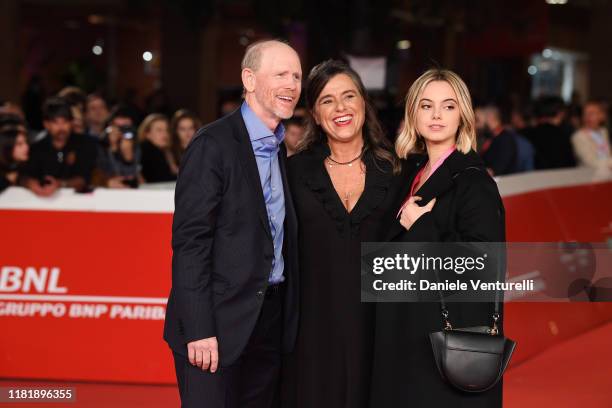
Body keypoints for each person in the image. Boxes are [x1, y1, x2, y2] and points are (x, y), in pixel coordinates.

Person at [163, 39, 302, 408]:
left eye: (297, 76)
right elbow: (191, 242)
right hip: (215, 327)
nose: (292, 84)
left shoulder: (280, 148)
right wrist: (199, 329)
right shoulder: (213, 144)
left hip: (267, 323)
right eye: (281, 74)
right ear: (249, 79)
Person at [370, 69, 506, 407]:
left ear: (462, 114)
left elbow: (484, 267)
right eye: (426, 105)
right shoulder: (409, 173)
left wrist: (422, 226)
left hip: (444, 340)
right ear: (413, 114)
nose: (436, 115)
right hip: (404, 334)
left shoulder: (474, 181)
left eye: (448, 106)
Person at [280, 60, 401, 408]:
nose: (341, 108)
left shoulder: (396, 171)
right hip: (311, 332)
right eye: (327, 100)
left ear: (364, 102)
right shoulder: (292, 172)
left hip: (378, 331)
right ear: (315, 114)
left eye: (349, 96)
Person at [21, 97, 97, 196]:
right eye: (55, 122)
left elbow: (85, 177)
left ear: (71, 123)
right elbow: (24, 176)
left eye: (65, 122)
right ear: (46, 124)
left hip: (80, 203)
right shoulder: (36, 148)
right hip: (40, 203)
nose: (61, 128)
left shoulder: (86, 144)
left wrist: (59, 184)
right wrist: (31, 184)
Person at [571, 100, 612, 170]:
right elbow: (590, 162)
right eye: (585, 114)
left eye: (592, 113)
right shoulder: (579, 136)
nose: (587, 117)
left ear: (602, 115)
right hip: (589, 177)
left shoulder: (603, 131)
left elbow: (607, 154)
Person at [138, 113, 178, 183]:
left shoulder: (166, 151)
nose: (165, 134)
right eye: (159, 130)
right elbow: (163, 179)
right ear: (147, 134)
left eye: (166, 130)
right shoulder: (147, 149)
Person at [0, 127, 29, 193]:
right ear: (7, 147)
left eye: (26, 142)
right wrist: (7, 180)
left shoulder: (27, 165)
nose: (26, 147)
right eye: (20, 144)